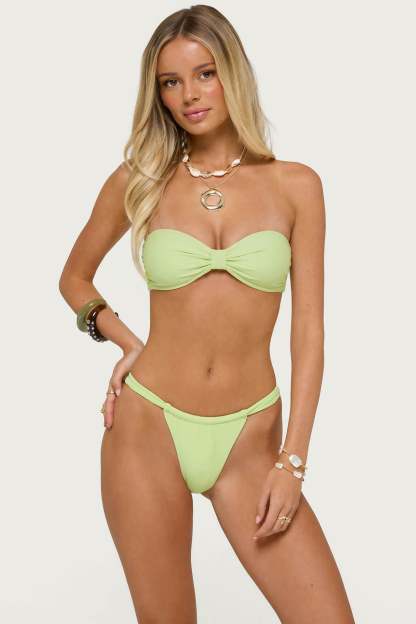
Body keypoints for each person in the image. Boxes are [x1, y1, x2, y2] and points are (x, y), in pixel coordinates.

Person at [59, 5, 355, 623]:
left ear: (232, 74)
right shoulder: (141, 179)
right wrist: (125, 341)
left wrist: (293, 460)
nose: (189, 95)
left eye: (205, 73)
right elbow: (74, 276)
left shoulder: (296, 185)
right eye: (171, 82)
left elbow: (309, 332)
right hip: (148, 428)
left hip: (251, 440)